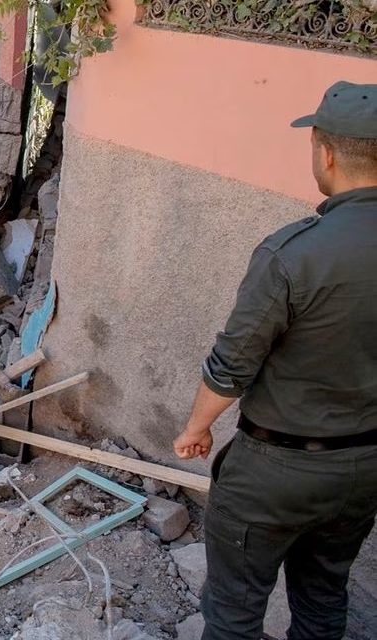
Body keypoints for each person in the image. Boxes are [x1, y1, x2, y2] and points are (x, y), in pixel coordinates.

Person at [173, 81, 377, 640]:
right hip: (363, 467)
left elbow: (232, 364)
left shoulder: (293, 253)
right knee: (323, 601)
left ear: (326, 152)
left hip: (277, 469)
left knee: (235, 615)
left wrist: (196, 428)